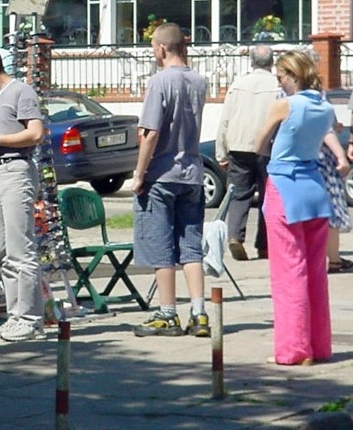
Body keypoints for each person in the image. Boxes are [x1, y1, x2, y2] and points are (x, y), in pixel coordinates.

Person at [255, 50, 335, 366]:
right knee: (316, 272)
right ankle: (319, 345)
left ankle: (294, 348)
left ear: (291, 76)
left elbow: (259, 142)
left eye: (280, 77)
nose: (279, 83)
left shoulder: (284, 105)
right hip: (315, 188)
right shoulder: (326, 108)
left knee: (289, 271)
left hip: (284, 187)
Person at [131, 22, 209, 338]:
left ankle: (167, 313)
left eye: (153, 46)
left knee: (160, 244)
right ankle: (200, 312)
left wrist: (139, 174)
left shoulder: (160, 81)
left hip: (162, 174)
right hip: (192, 172)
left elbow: (150, 133)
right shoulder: (199, 81)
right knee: (190, 246)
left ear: (162, 48)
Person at [0, 44, 46, 342]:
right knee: (4, 250)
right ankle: (15, 314)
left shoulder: (21, 91)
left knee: (22, 248)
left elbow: (35, 133)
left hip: (16, 169)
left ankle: (30, 319)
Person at [215, 45, 279, 261]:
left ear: (251, 62)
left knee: (239, 194)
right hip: (268, 147)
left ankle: (235, 236)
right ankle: (264, 245)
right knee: (268, 196)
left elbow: (225, 120)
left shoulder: (238, 85)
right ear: (272, 62)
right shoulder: (277, 86)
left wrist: (221, 152)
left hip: (238, 145)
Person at [316, 127, 352, 273]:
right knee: (332, 210)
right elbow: (326, 131)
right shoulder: (317, 107)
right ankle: (334, 259)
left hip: (303, 164)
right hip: (323, 162)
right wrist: (341, 156)